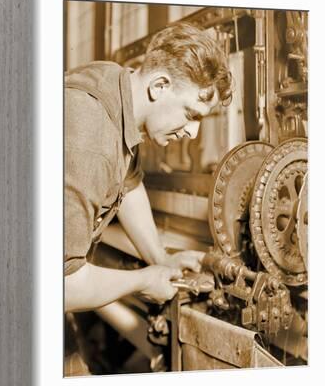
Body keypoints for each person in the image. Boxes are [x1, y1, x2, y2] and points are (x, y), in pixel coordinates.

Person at [64, 23, 232, 313]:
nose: (193, 133)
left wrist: (160, 259)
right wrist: (143, 281)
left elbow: (127, 184)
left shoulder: (117, 88)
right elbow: (61, 285)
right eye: (191, 114)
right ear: (159, 86)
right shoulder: (90, 137)